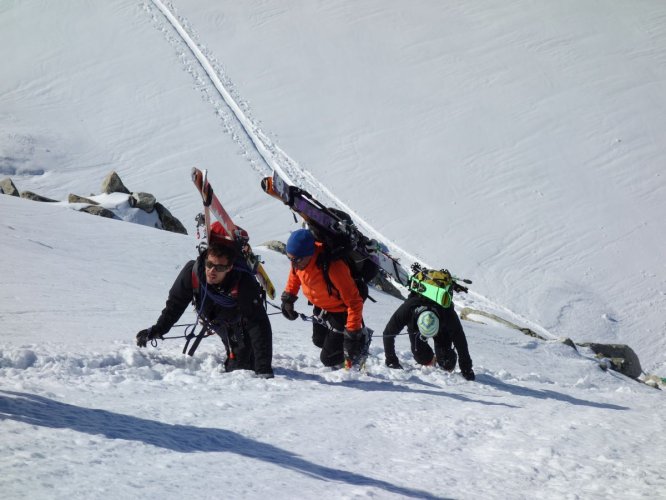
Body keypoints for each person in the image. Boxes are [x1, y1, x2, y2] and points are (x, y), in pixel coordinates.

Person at [135, 223, 274, 378]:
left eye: (219, 268)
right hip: (213, 318)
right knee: (241, 366)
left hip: (239, 321)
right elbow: (175, 305)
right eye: (209, 264)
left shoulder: (243, 282)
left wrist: (264, 369)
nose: (212, 271)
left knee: (250, 365)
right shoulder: (192, 272)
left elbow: (258, 324)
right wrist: (157, 330)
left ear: (229, 268)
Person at [280, 228, 368, 367]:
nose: (293, 264)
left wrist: (352, 334)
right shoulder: (299, 261)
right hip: (321, 307)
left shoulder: (333, 266)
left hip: (340, 311)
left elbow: (354, 302)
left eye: (296, 260)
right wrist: (288, 299)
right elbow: (294, 276)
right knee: (318, 341)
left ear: (309, 254)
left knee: (329, 359)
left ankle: (361, 343)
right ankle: (337, 343)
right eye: (289, 259)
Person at [382, 293, 475, 380]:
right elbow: (388, 333)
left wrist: (466, 369)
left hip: (442, 327)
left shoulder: (447, 313)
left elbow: (460, 342)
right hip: (415, 327)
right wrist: (391, 360)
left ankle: (442, 357)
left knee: (447, 363)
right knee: (421, 357)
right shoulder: (407, 309)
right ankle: (429, 358)